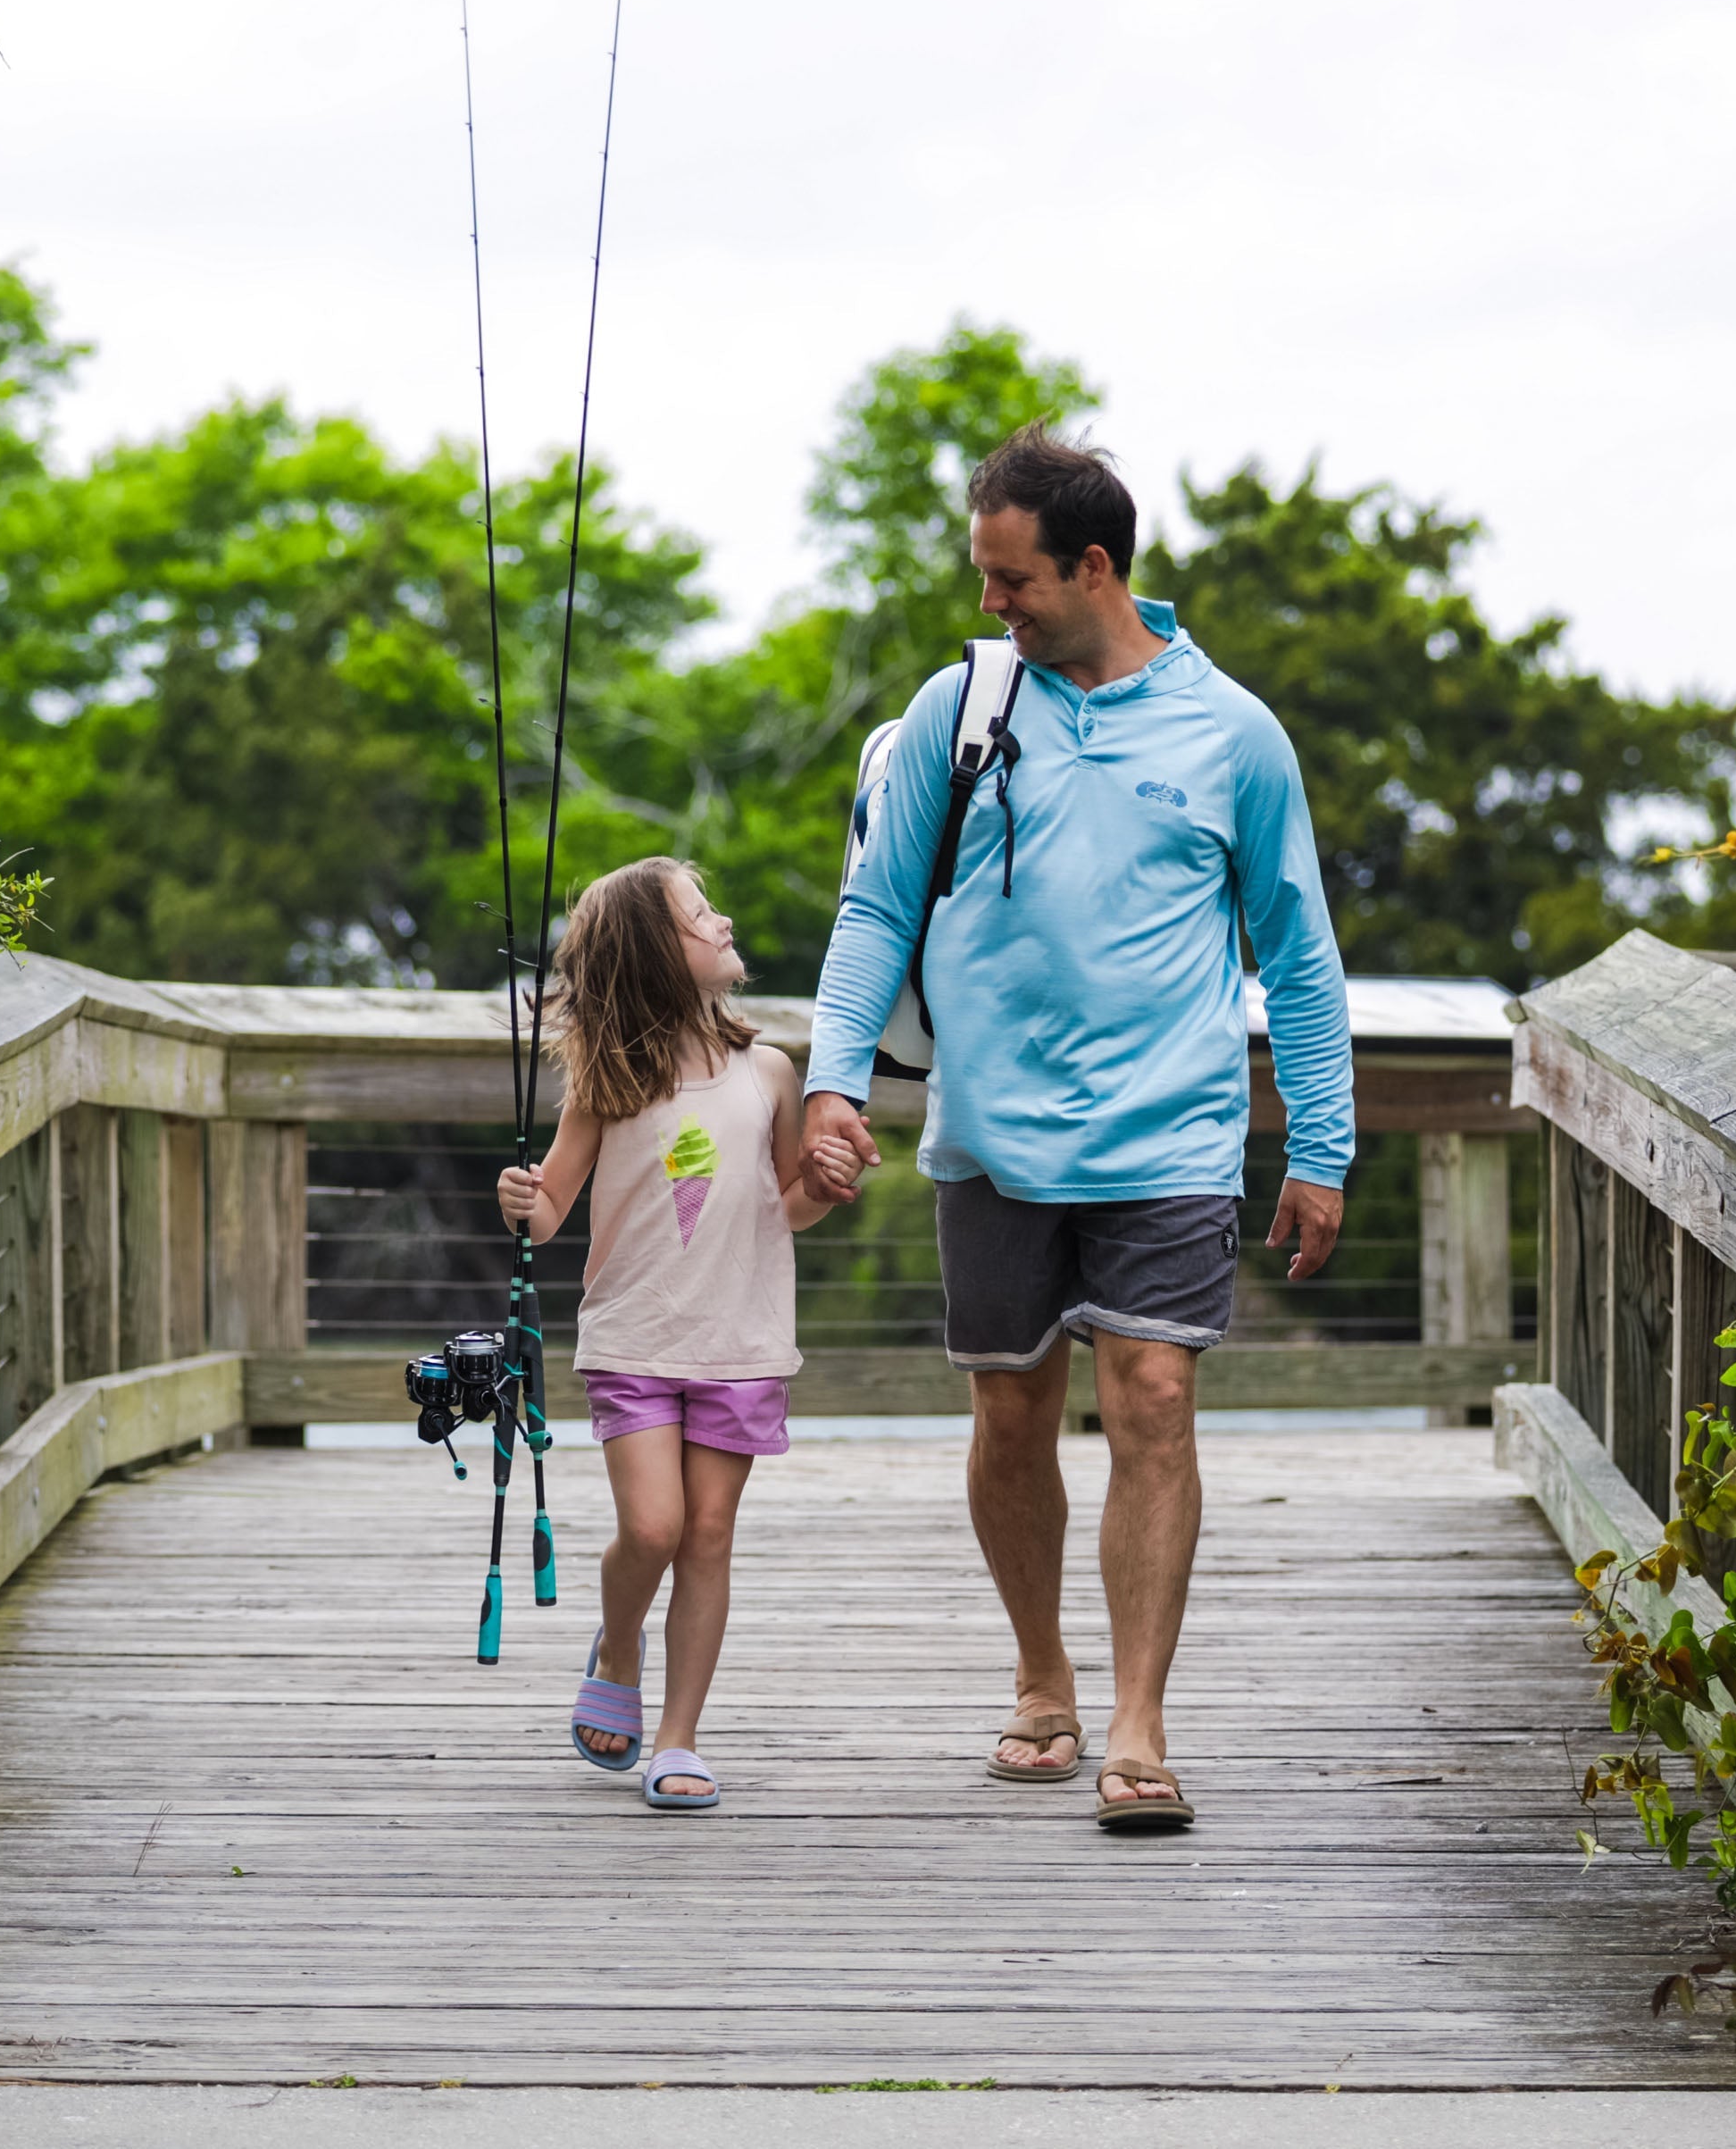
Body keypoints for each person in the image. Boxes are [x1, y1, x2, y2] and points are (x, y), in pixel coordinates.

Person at [801, 427, 1351, 1831]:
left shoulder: (1234, 733)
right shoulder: (960, 709)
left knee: (1154, 1399)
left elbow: (1297, 956)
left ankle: (1140, 1721)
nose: (991, 604)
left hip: (1170, 1131)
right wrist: (832, 1083)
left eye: (1011, 578)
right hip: (992, 1132)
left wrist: (1322, 1147)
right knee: (1010, 1410)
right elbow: (874, 909)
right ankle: (1042, 1675)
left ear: (1093, 565)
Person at [497, 857, 860, 1813]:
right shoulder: (606, 1081)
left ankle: (678, 1735)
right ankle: (619, 1643)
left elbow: (786, 1206)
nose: (724, 918)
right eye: (702, 913)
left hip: (740, 1341)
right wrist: (521, 1199)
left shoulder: (770, 1071)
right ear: (661, 954)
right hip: (633, 1338)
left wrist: (819, 1187)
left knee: (705, 1533)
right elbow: (549, 1213)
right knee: (651, 1525)